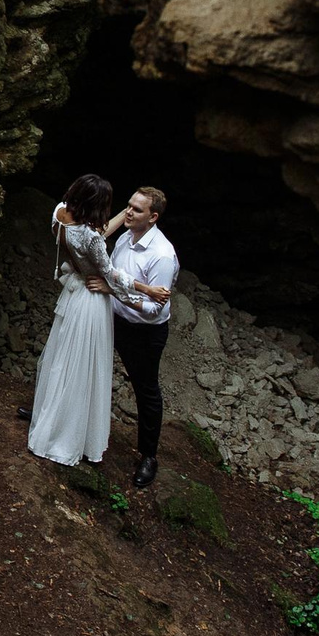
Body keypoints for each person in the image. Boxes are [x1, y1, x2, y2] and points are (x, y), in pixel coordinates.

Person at [23, 175, 118, 468]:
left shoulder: (60, 213)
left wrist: (119, 220)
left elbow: (94, 235)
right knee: (84, 365)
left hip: (72, 291)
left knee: (61, 357)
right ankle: (68, 433)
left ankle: (48, 414)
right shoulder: (90, 236)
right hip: (90, 299)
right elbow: (110, 273)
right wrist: (144, 291)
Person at [101, 186, 179, 488]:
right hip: (113, 317)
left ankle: (149, 456)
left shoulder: (162, 255)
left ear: (153, 216)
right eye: (129, 205)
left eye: (136, 209)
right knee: (88, 363)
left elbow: (152, 310)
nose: (128, 212)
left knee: (145, 390)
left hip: (144, 331)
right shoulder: (125, 236)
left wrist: (114, 292)